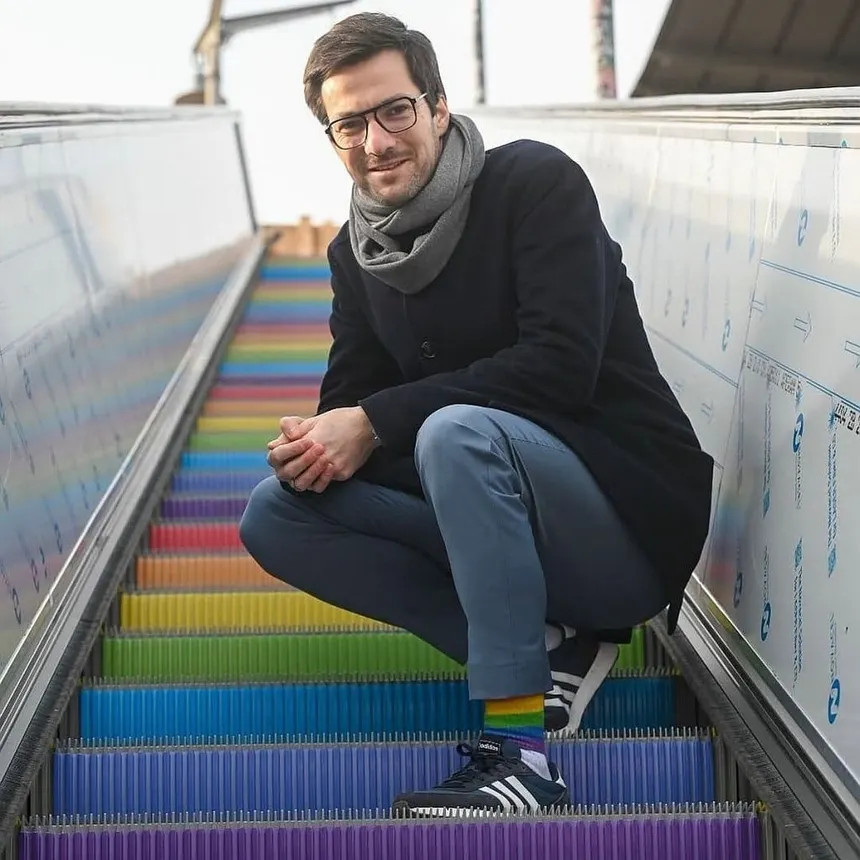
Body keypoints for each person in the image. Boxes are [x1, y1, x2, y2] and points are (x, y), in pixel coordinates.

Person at [240, 11, 714, 815]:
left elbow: (562, 367)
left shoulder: (534, 184)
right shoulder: (353, 258)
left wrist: (379, 421)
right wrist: (321, 442)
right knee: (277, 512)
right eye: (348, 123)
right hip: (487, 522)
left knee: (454, 431)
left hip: (617, 524)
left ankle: (521, 755)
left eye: (394, 110)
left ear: (437, 106)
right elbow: (351, 410)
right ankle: (550, 647)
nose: (376, 140)